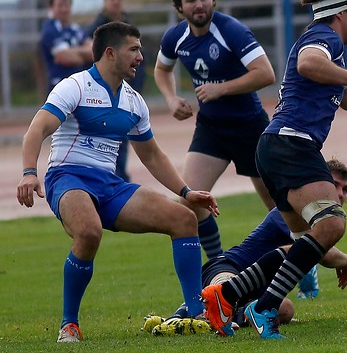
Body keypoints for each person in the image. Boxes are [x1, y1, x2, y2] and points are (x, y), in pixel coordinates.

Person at [201, 0, 347, 339]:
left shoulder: (329, 54)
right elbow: (309, 63)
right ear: (341, 13)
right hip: (293, 144)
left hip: (275, 146)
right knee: (332, 224)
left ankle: (226, 294)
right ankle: (264, 305)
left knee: (300, 243)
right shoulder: (325, 38)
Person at [17, 21, 219, 343]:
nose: (141, 57)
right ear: (110, 53)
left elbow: (151, 155)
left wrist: (186, 192)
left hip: (109, 185)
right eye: (134, 49)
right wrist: (30, 172)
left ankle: (196, 314)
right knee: (88, 231)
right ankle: (69, 324)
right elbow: (37, 129)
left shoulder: (134, 101)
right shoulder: (76, 87)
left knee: (183, 218)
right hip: (67, 176)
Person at [147, 159, 347, 336]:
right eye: (334, 184)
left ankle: (206, 315)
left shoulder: (321, 221)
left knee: (285, 310)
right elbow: (319, 253)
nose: (339, 194)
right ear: (318, 183)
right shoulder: (292, 210)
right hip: (227, 267)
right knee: (225, 286)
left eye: (345, 190)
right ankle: (184, 316)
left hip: (257, 289)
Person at [154, 0, 276, 260]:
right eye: (192, 0)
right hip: (211, 129)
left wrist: (222, 90)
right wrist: (171, 99)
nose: (199, 4)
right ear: (179, 8)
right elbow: (162, 69)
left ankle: (303, 268)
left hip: (250, 128)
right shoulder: (175, 37)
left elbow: (266, 74)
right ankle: (219, 265)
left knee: (278, 209)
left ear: (214, 0)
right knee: (191, 201)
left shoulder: (231, 31)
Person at [87, 0, 147, 182]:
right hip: (101, 94)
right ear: (105, 1)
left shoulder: (129, 25)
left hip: (127, 91)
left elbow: (138, 61)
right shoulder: (96, 28)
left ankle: (120, 179)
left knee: (124, 137)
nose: (115, 2)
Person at [40, 0, 93, 96]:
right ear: (51, 8)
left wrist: (74, 52)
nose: (64, 9)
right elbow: (64, 57)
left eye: (67, 5)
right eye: (60, 6)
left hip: (80, 86)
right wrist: (83, 54)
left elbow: (94, 51)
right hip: (59, 87)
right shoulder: (50, 29)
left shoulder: (76, 29)